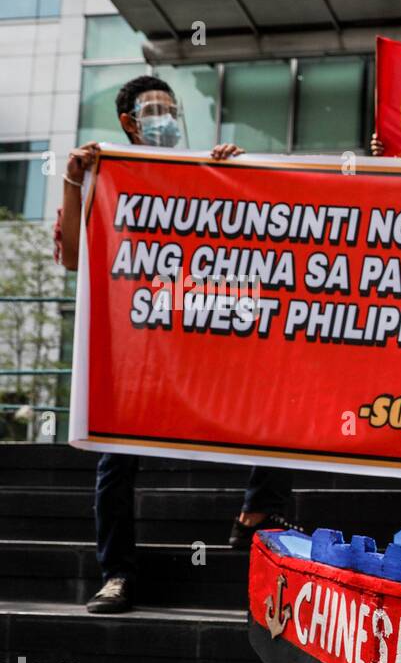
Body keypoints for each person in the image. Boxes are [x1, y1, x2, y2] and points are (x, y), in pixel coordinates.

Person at [58, 74, 299, 614]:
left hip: (199, 337)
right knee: (116, 460)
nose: (166, 117)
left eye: (172, 107)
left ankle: (259, 512)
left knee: (277, 394)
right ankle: (117, 574)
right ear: (129, 121)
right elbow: (74, 258)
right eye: (155, 108)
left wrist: (234, 175)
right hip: (139, 351)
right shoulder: (102, 175)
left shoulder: (198, 170)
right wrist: (73, 183)